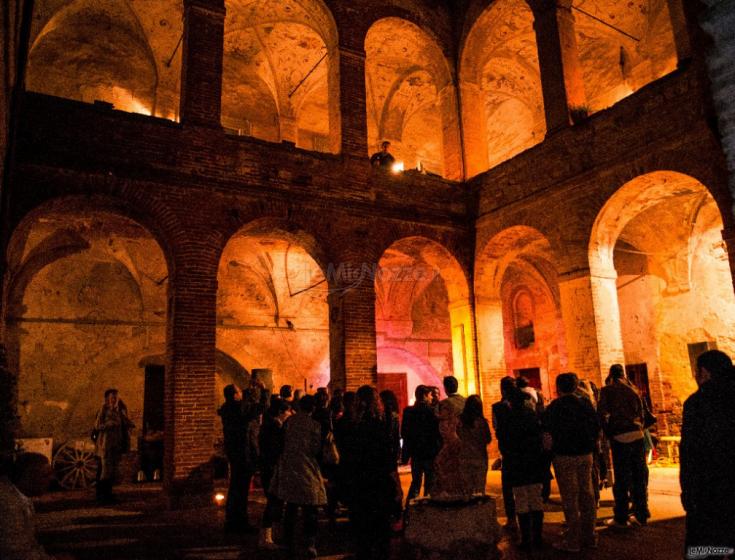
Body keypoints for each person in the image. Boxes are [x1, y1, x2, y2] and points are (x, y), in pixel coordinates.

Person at [680, 350, 735, 558]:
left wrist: (688, 491)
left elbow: (690, 452)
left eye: (696, 371)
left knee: (704, 548)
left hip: (708, 489)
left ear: (704, 372)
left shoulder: (697, 403)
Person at [543, 373, 599, 552]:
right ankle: (590, 537)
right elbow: (596, 427)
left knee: (570, 498)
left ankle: (573, 540)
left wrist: (549, 453)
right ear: (576, 386)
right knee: (587, 495)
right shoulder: (586, 404)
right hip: (585, 454)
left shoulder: (554, 407)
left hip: (564, 456)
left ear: (558, 387)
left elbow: (547, 434)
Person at [270, 394, 326, 558]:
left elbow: (281, 443)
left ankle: (288, 542)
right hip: (307, 468)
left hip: (289, 467)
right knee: (310, 508)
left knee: (291, 507)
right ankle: (310, 543)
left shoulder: (289, 422)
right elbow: (315, 450)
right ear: (313, 408)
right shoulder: (315, 425)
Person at [344, 386, 396, 560]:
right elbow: (387, 459)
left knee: (362, 537)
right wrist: (395, 486)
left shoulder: (351, 427)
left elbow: (347, 458)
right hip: (379, 484)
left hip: (359, 486)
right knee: (382, 536)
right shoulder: (380, 426)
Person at [598, 363, 650, 528]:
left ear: (611, 375)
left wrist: (608, 432)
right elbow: (643, 413)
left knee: (621, 479)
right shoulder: (634, 389)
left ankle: (621, 517)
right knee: (638, 476)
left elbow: (601, 413)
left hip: (620, 436)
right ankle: (641, 514)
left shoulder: (607, 390)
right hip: (638, 434)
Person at [0, 452, 74, 560]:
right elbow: (17, 553)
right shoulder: (9, 504)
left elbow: (30, 526)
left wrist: (71, 521)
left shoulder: (18, 495)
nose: (52, 479)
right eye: (45, 475)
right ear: (28, 476)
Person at [503, 388, 546, 550]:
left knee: (521, 500)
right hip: (533, 462)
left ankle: (526, 539)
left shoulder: (508, 418)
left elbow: (505, 443)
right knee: (536, 498)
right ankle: (538, 537)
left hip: (517, 464)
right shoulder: (532, 416)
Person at [218, 384, 260, 534]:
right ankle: (240, 523)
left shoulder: (228, 409)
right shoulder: (236, 409)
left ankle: (233, 521)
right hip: (242, 454)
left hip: (236, 453)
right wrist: (258, 392)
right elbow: (258, 408)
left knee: (236, 488)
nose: (241, 393)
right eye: (239, 391)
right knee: (240, 490)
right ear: (234, 395)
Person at [258, 397, 292, 549]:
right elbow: (275, 449)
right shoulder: (273, 427)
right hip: (271, 468)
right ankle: (265, 538)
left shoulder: (271, 425)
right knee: (273, 501)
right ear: (280, 412)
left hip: (270, 468)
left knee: (274, 501)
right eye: (288, 411)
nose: (290, 414)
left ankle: (268, 535)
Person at [401, 385, 441, 503]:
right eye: (429, 395)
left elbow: (405, 433)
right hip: (430, 452)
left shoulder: (408, 411)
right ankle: (427, 508)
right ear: (424, 396)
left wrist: (406, 452)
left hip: (416, 452)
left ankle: (411, 507)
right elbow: (436, 432)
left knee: (416, 481)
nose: (431, 398)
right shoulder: (432, 411)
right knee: (429, 481)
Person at [93, 388, 134, 504]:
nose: (114, 400)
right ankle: (101, 497)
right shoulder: (103, 410)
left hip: (116, 446)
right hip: (105, 446)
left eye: (116, 397)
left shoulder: (119, 410)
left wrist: (128, 422)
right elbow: (97, 426)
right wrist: (109, 424)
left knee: (111, 472)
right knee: (104, 472)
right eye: (112, 397)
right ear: (107, 399)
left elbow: (125, 423)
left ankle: (108, 495)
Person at [492, 376, 518, 530]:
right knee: (524, 487)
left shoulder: (497, 407)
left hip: (507, 450)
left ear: (502, 389)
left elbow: (496, 428)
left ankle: (512, 520)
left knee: (508, 488)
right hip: (523, 450)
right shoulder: (525, 403)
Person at [457, 395, 492, 495]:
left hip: (464, 457)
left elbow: (458, 435)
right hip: (479, 457)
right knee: (479, 490)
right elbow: (488, 439)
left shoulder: (461, 422)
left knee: (467, 489)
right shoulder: (482, 423)